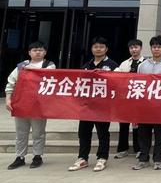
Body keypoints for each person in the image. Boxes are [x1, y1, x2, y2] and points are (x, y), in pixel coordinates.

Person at [68, 37, 118, 172]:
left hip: (103, 106)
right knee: (83, 132)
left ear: (106, 49)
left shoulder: (113, 66)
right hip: (86, 106)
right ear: (91, 49)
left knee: (103, 132)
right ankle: (82, 158)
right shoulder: (86, 65)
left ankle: (102, 158)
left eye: (101, 47)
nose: (98, 49)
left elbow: (117, 84)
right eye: (96, 47)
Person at [5, 41, 56, 170]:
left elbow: (48, 77)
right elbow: (11, 83)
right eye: (35, 50)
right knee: (21, 132)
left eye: (40, 50)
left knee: (38, 132)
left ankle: (37, 156)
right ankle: (20, 157)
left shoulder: (49, 65)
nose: (38, 52)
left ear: (45, 52)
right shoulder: (21, 66)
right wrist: (8, 99)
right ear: (29, 52)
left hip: (39, 105)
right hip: (21, 104)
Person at [132, 36, 161, 171]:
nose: (156, 49)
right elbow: (137, 85)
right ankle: (143, 159)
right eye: (154, 47)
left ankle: (158, 160)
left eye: (159, 47)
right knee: (143, 134)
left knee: (160, 134)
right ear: (151, 48)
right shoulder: (142, 65)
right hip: (145, 106)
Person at [115, 39, 145, 159]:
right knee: (123, 124)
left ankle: (138, 149)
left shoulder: (146, 63)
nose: (134, 50)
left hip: (139, 99)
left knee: (138, 126)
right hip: (125, 99)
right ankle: (123, 149)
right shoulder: (124, 64)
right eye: (131, 48)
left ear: (140, 48)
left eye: (136, 47)